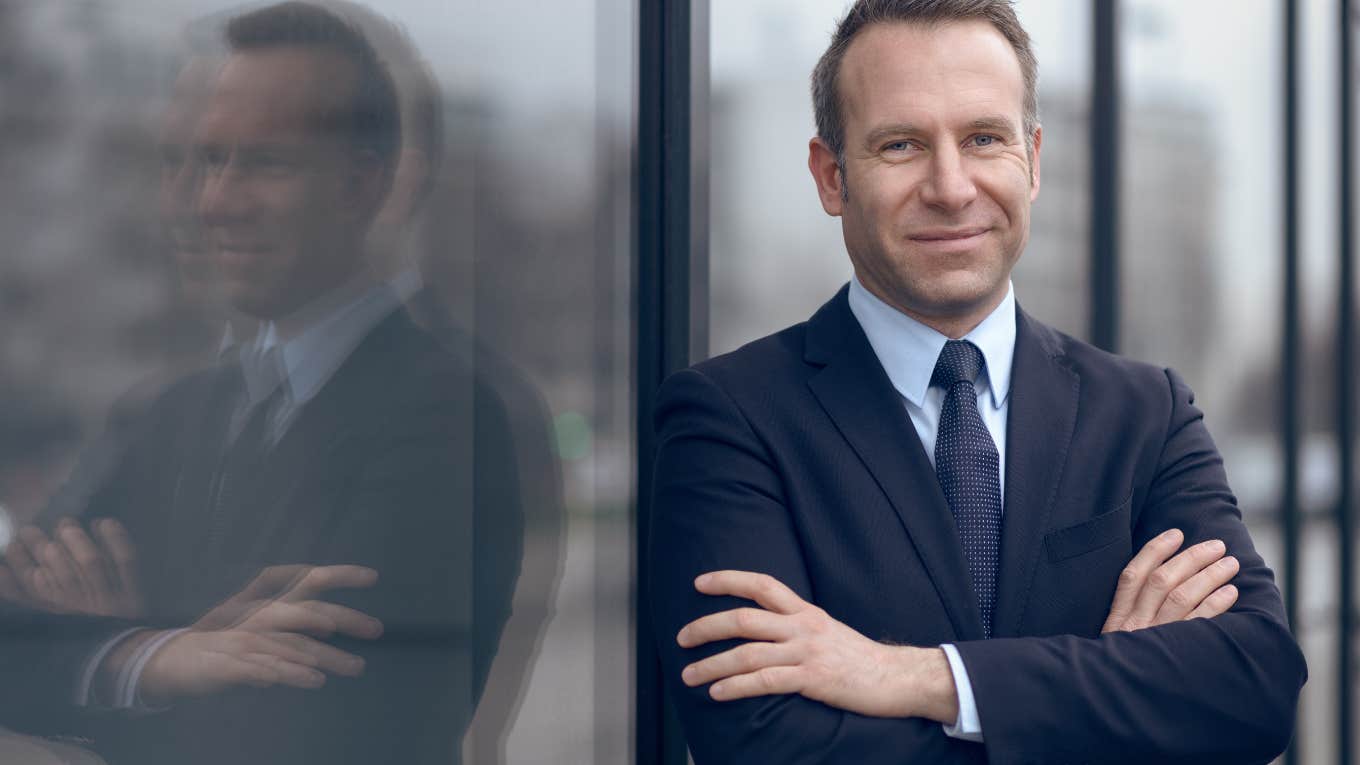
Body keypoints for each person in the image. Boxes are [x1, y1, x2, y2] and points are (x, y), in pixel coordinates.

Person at [648, 1, 1306, 762]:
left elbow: (1254, 684)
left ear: (1033, 160)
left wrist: (919, 676)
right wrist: (1114, 701)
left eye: (983, 138)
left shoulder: (1146, 413)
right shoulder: (728, 420)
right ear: (832, 178)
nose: (952, 186)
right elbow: (767, 745)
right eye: (901, 145)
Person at [0, 3, 528, 763]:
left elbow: (301, 725)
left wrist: (103, 648)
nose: (212, 203)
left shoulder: (450, 414)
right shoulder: (168, 415)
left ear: (361, 185)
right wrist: (156, 657)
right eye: (201, 161)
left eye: (264, 163)